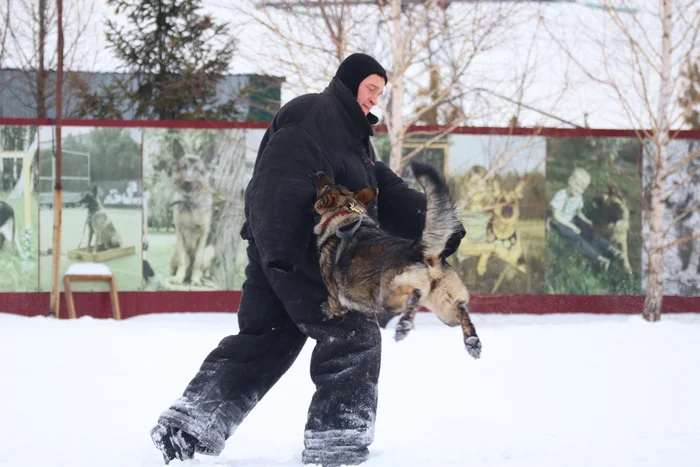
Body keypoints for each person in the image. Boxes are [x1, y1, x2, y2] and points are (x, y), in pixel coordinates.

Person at [150, 53, 465, 466]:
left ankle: (188, 424)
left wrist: (438, 224)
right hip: (298, 252)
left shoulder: (351, 138)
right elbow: (277, 184)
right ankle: (335, 446)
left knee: (268, 339)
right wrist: (282, 255)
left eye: (380, 93)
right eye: (370, 88)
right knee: (352, 336)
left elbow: (384, 192)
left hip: (286, 253)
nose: (374, 99)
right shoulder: (311, 116)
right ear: (349, 82)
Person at [549, 167, 622, 270]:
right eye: (577, 184)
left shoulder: (578, 197)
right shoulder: (561, 195)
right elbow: (556, 215)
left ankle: (610, 249)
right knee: (575, 238)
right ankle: (598, 258)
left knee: (589, 232)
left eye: (582, 188)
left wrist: (587, 221)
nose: (578, 189)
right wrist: (572, 226)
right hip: (559, 221)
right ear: (570, 181)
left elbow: (578, 212)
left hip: (572, 219)